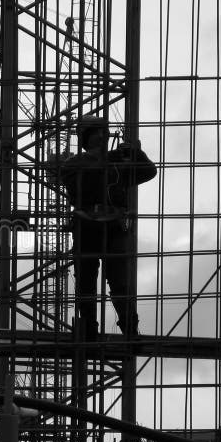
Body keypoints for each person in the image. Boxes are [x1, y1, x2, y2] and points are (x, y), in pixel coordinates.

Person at [49, 114, 157, 340]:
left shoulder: (116, 161)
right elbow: (83, 183)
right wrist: (113, 161)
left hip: (114, 227)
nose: (104, 137)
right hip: (87, 226)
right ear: (87, 138)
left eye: (104, 133)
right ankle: (88, 328)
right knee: (86, 280)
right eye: (98, 133)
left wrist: (135, 153)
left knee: (120, 280)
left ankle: (129, 326)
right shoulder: (75, 164)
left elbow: (148, 171)